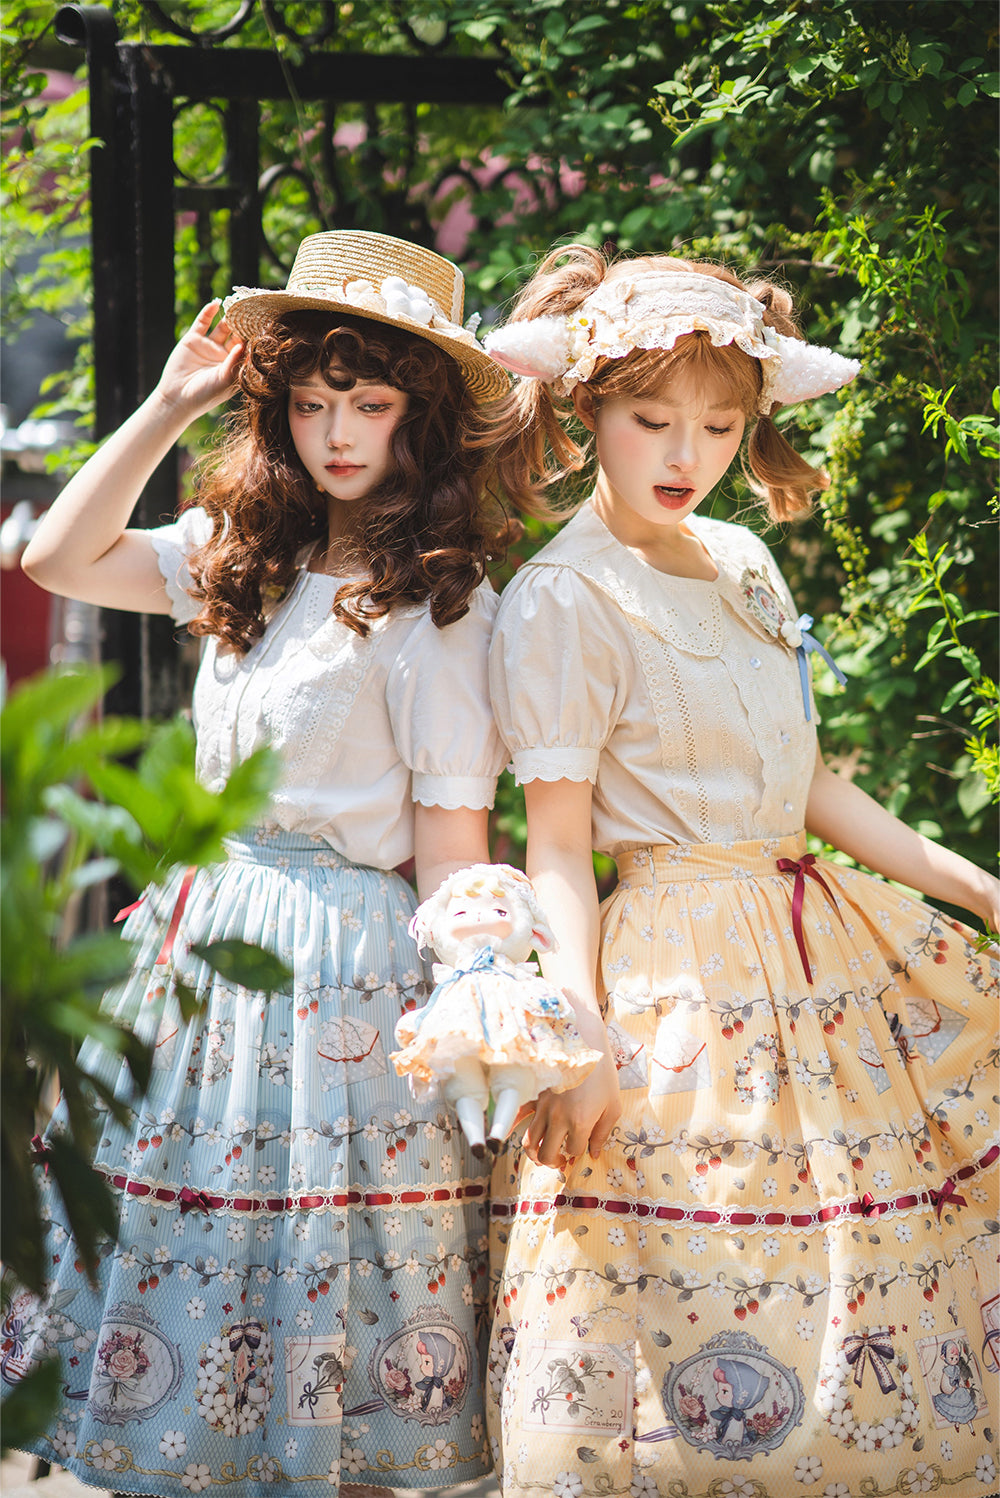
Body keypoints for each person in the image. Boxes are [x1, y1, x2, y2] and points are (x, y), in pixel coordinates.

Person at [481, 245, 1000, 1497]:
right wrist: (578, 1027)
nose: (687, 453)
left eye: (719, 426)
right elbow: (556, 842)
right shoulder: (561, 597)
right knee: (703, 1282)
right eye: (652, 419)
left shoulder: (741, 558)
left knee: (849, 1285)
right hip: (675, 981)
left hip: (815, 952)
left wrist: (978, 887)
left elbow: (807, 784)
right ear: (586, 409)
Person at [6, 230, 513, 1498]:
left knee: (321, 1277)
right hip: (203, 937)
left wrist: (479, 1003)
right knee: (180, 1254)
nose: (338, 433)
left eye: (370, 403)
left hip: (345, 967)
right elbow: (55, 556)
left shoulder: (440, 603)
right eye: (312, 401)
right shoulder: (249, 554)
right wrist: (169, 405)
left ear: (419, 416)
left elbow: (454, 847)